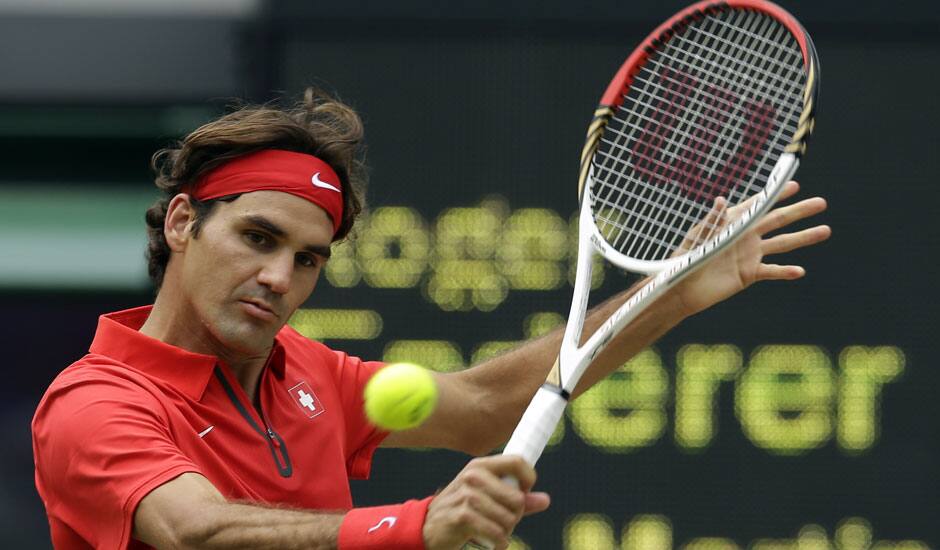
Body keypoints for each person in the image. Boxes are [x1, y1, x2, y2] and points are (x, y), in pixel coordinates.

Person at [32, 88, 831, 550]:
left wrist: (671, 294)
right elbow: (195, 533)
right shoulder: (95, 404)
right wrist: (416, 526)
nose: (279, 277)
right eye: (257, 238)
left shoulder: (308, 374)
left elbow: (483, 407)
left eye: (308, 259)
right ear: (182, 224)